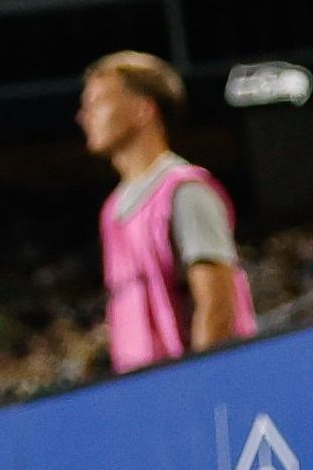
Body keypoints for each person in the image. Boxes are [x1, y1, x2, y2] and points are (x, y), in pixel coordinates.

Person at [76, 49, 251, 368]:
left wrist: (194, 387)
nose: (84, 116)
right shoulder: (112, 211)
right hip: (147, 397)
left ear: (144, 110)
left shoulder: (185, 191)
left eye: (97, 102)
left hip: (189, 393)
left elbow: (217, 304)